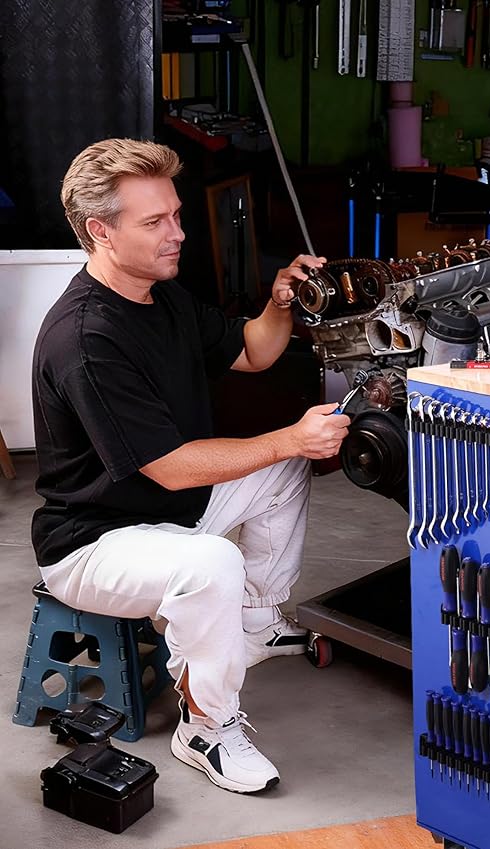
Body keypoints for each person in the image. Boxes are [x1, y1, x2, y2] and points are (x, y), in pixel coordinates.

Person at [31, 138, 350, 795]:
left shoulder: (160, 295)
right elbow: (172, 468)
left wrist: (280, 302)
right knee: (213, 561)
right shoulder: (87, 337)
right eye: (155, 222)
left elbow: (253, 352)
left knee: (282, 469)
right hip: (92, 541)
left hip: (168, 509)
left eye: (175, 215)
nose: (177, 233)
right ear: (101, 231)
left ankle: (255, 623)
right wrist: (291, 437)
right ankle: (204, 726)